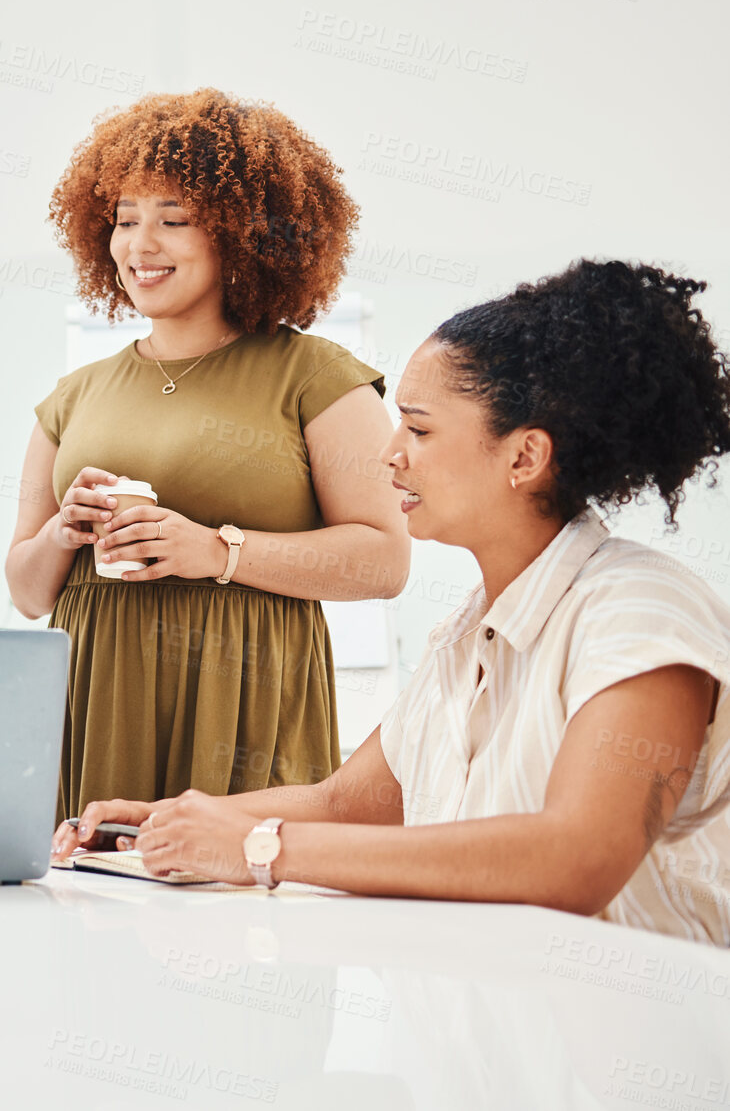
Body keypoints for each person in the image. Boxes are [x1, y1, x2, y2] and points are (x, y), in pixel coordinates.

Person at [57, 261, 730, 945]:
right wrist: (168, 823)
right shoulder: (466, 636)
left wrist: (259, 847)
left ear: (524, 458)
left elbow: (574, 858)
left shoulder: (641, 613)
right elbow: (347, 804)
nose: (389, 455)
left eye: (419, 429)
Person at [7, 88, 410, 820]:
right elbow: (28, 594)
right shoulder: (73, 397)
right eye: (125, 221)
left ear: (241, 233)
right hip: (97, 704)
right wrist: (61, 533)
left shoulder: (316, 376)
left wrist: (216, 551)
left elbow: (385, 560)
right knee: (95, 912)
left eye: (174, 220)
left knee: (241, 914)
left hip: (248, 700)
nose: (139, 245)